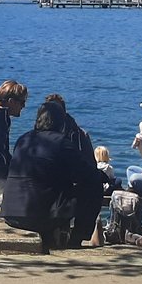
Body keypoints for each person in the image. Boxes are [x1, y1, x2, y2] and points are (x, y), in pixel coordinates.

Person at [1, 100, 101, 251]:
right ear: (61, 123)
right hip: (38, 215)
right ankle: (76, 239)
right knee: (94, 187)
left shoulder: (23, 139)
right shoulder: (61, 142)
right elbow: (87, 174)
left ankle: (58, 236)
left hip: (10, 212)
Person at [44, 93, 105, 247]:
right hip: (52, 184)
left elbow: (86, 166)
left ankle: (77, 236)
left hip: (67, 183)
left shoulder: (77, 135)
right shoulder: (74, 134)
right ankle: (76, 236)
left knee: (92, 187)